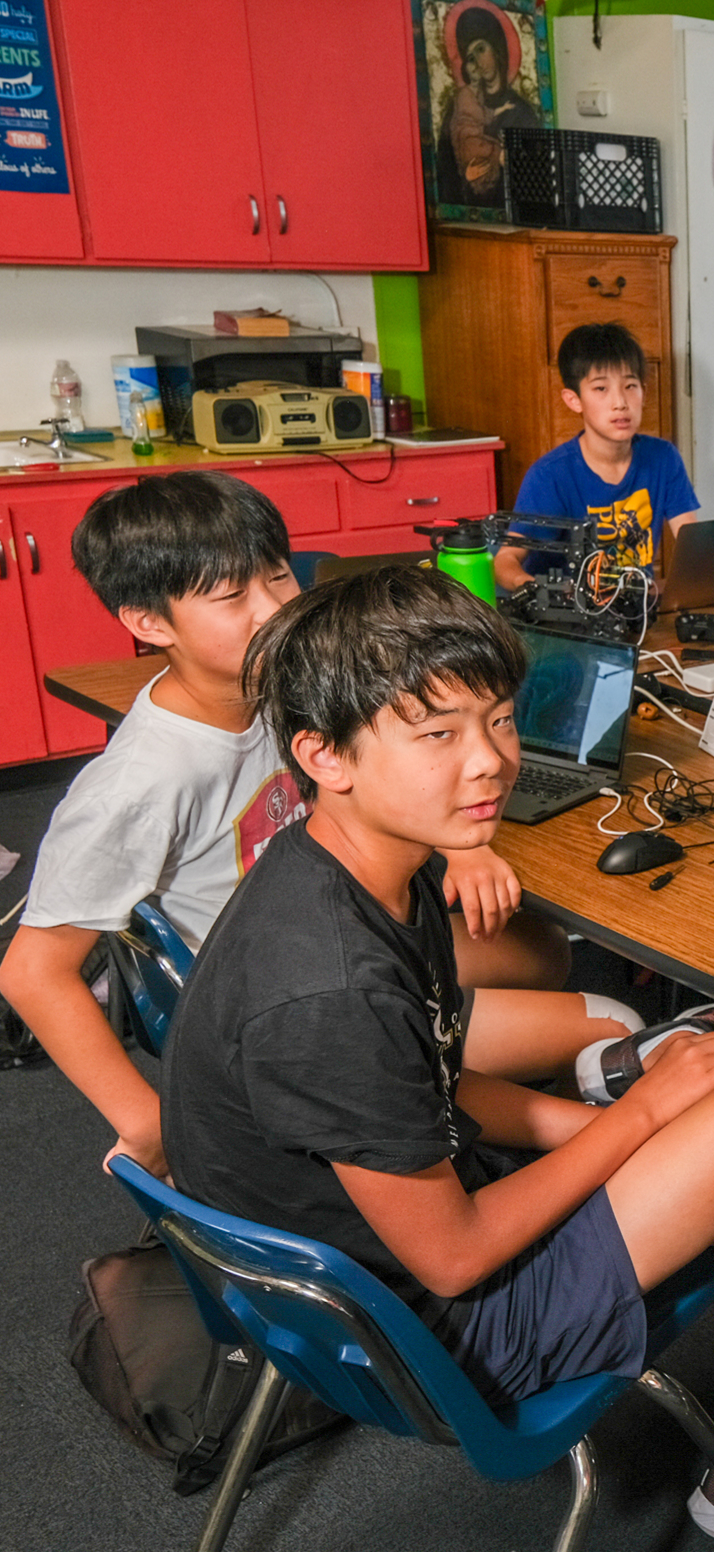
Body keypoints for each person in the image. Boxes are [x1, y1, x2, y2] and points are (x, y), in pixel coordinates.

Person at [157, 567, 714, 1539]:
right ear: (323, 755)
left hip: (379, 1262)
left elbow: (429, 1081)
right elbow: (452, 1258)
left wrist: (613, 1130)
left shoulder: (350, 869)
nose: (490, 762)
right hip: (441, 1333)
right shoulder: (329, 992)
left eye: (499, 722)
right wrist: (640, 1119)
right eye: (439, 735)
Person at [0, 474, 569, 1182]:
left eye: (277, 576)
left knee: (540, 947)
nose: (273, 610)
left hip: (347, 921)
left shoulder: (278, 688)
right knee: (601, 1021)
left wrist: (463, 844)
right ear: (149, 623)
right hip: (295, 995)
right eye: (232, 597)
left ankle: (483, 1133)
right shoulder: (139, 782)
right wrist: (147, 1119)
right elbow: (31, 971)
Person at [498, 323, 697, 591]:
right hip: (567, 618)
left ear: (644, 393)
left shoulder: (663, 458)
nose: (620, 402)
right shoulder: (551, 475)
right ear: (573, 400)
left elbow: (693, 543)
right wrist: (540, 591)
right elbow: (506, 560)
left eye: (630, 385)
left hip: (635, 611)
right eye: (601, 389)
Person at [435, 2, 541, 210]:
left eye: (481, 49)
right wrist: (466, 175)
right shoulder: (459, 106)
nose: (478, 60)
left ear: (498, 47)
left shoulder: (521, 111)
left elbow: (536, 174)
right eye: (471, 57)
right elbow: (446, 171)